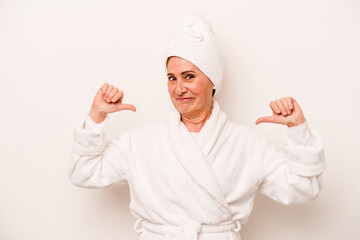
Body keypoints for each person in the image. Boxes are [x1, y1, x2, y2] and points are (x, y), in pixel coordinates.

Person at [69, 12, 325, 240]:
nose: (179, 88)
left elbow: (304, 189)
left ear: (212, 80)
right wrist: (96, 116)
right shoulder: (139, 141)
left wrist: (298, 129)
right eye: (172, 78)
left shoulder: (248, 143)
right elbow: (83, 172)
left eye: (189, 76)